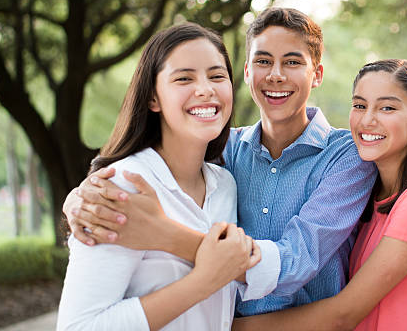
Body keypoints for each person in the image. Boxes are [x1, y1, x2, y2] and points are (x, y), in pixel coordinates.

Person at [61, 8, 377, 317]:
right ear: (247, 73)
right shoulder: (226, 156)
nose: (276, 75)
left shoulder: (348, 155)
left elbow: (294, 263)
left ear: (317, 74)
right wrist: (79, 198)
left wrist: (165, 234)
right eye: (263, 61)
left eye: (292, 62)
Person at [57, 22, 263, 331]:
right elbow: (78, 327)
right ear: (153, 98)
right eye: (184, 78)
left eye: (217, 76)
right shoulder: (122, 186)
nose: (206, 88)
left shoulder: (225, 185)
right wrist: (203, 282)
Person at [234, 59, 407, 331]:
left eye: (387, 108)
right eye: (360, 105)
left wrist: (229, 326)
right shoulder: (369, 196)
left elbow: (343, 314)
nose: (368, 120)